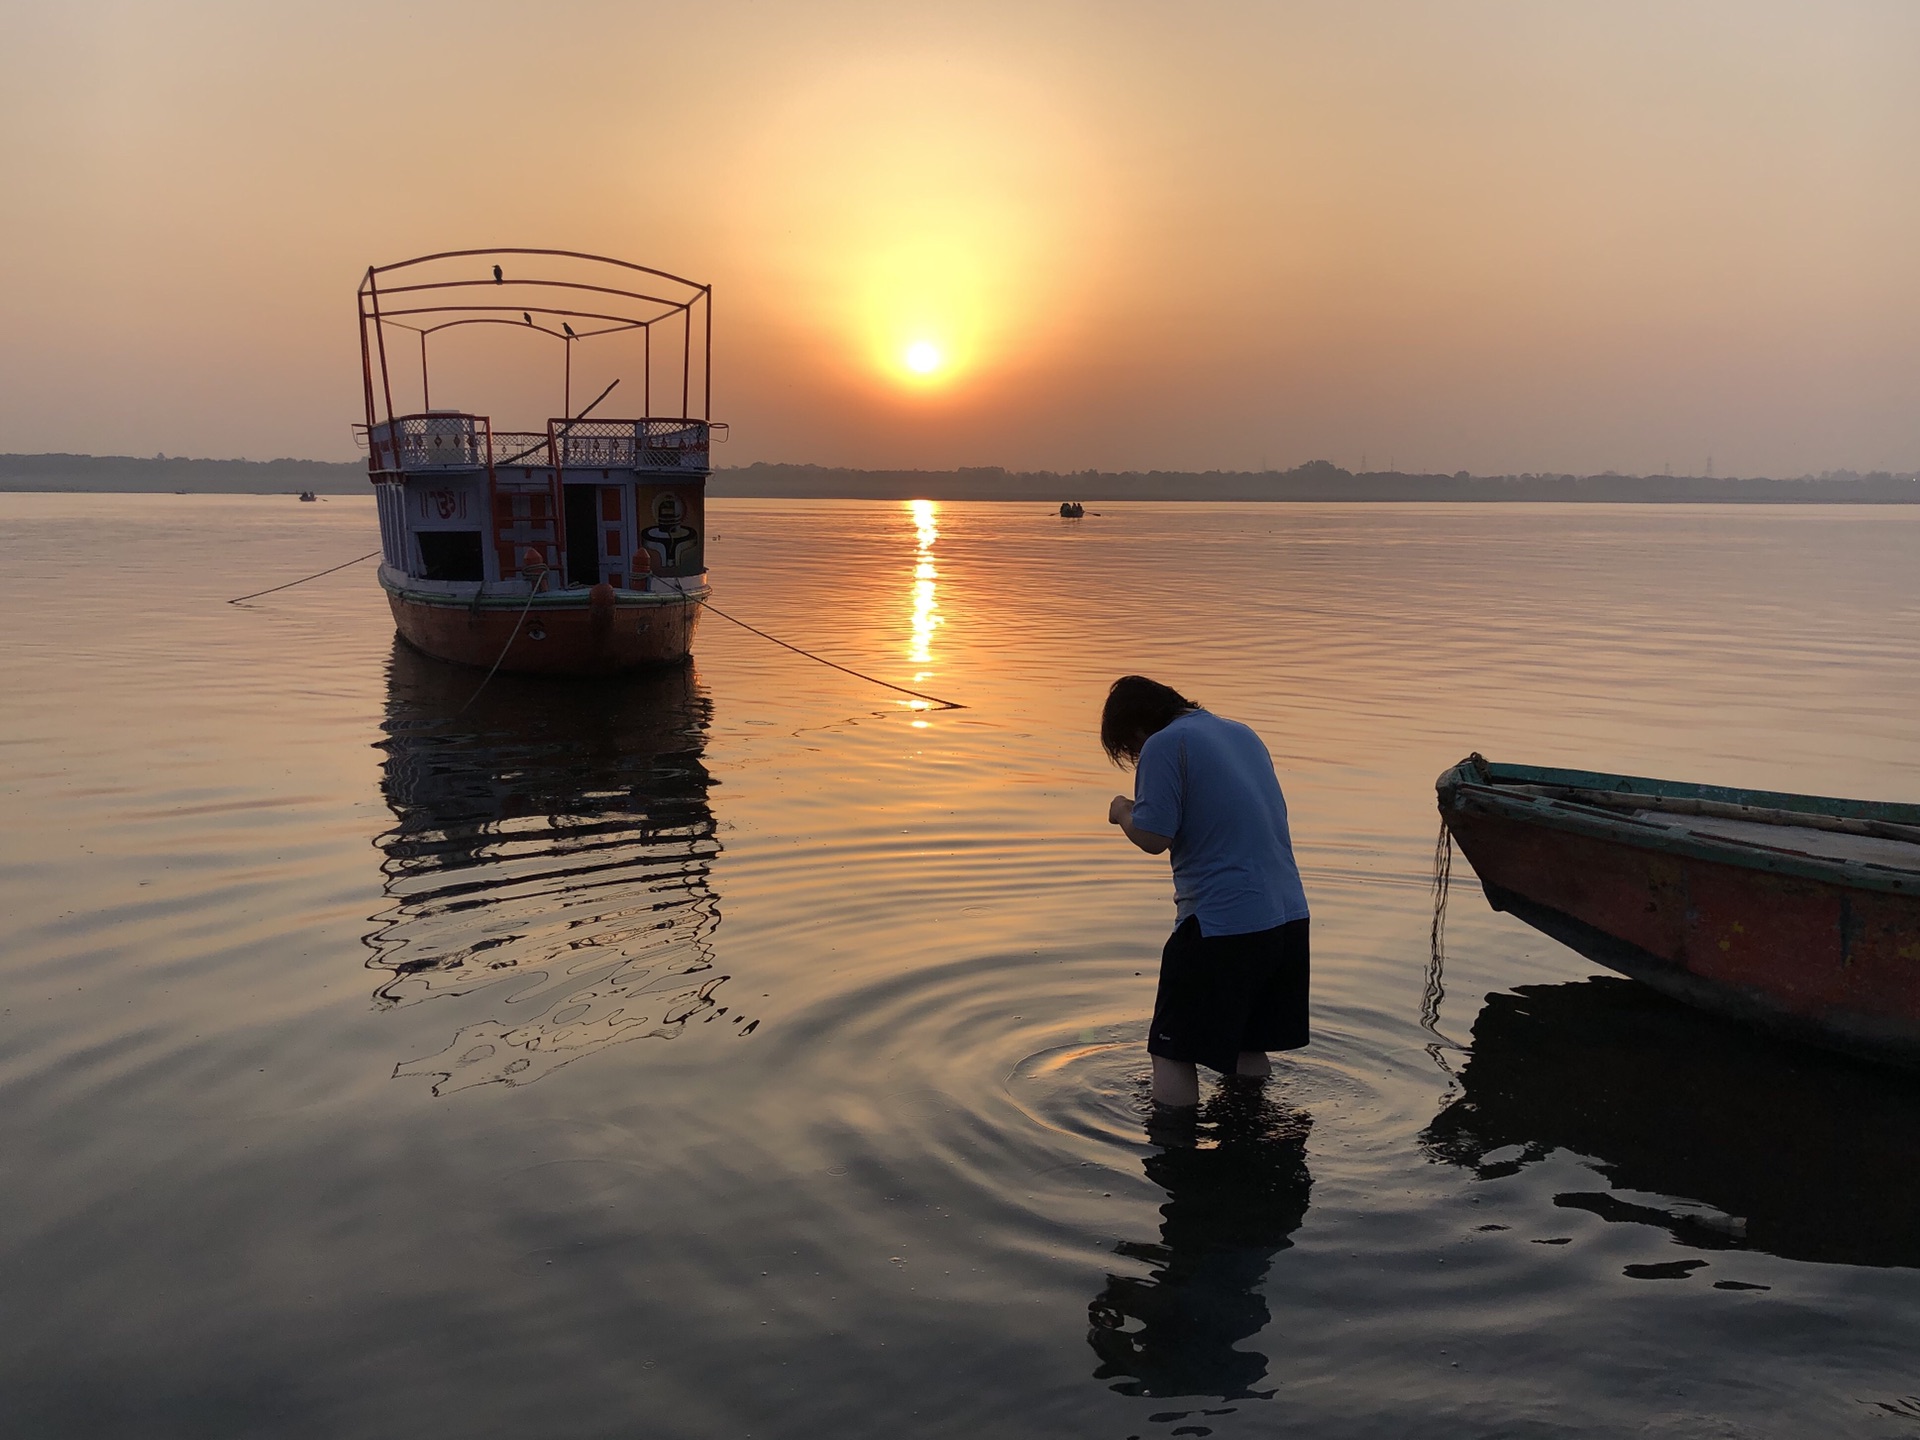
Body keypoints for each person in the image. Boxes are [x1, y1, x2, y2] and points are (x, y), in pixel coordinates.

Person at [1102, 676, 1310, 1108]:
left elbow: (1153, 836)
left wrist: (1124, 810)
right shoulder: (1240, 733)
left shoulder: (1165, 743)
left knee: (1171, 1050)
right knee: (1247, 1045)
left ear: (1137, 729)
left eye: (1131, 748)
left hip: (1220, 924)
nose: (1137, 756)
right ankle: (1255, 1134)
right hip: (1286, 919)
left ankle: (1174, 1152)